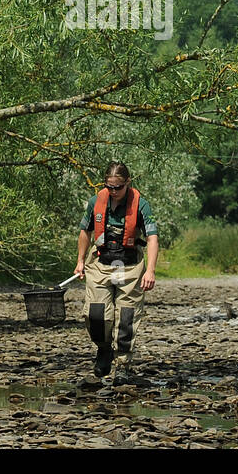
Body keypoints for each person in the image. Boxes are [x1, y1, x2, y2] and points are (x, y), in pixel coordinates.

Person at [74, 162, 157, 382]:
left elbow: (152, 238)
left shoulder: (141, 205)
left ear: (127, 183)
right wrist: (80, 260)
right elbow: (85, 231)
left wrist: (150, 270)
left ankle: (123, 364)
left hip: (129, 267)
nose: (113, 192)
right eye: (109, 187)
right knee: (96, 314)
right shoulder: (96, 202)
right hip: (101, 264)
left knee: (126, 318)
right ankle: (104, 349)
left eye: (118, 187)